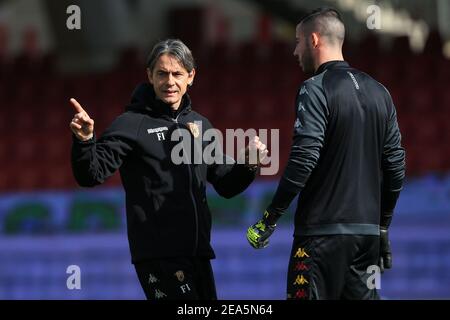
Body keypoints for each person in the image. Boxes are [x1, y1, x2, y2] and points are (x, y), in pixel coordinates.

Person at [70, 39, 267, 300]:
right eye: (162, 73)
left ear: (191, 76)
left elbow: (225, 183)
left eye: (177, 74)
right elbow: (91, 174)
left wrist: (248, 165)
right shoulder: (131, 124)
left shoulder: (200, 125)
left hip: (198, 253)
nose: (170, 82)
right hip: (158, 255)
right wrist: (85, 141)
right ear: (149, 76)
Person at [246, 7, 406, 300]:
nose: (295, 50)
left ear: (314, 40)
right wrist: (382, 226)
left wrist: (270, 218)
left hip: (321, 237)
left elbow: (304, 158)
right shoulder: (380, 91)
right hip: (366, 239)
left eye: (298, 41)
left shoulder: (315, 89)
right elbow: (396, 166)